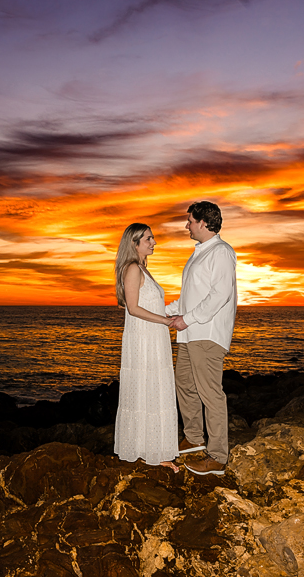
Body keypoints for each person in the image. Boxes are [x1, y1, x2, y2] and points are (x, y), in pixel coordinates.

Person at [166, 201, 237, 476]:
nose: (187, 225)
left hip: (206, 334)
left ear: (204, 222)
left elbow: (219, 295)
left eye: (190, 221)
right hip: (189, 334)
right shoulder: (199, 253)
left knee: (211, 394)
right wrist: (160, 311)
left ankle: (218, 456)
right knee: (184, 383)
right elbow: (188, 299)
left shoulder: (221, 252)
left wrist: (187, 319)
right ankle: (194, 438)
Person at [113, 223, 180, 472]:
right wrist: (164, 320)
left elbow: (145, 305)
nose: (154, 242)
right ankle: (152, 453)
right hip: (144, 339)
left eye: (152, 238)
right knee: (147, 389)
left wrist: (171, 315)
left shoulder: (143, 269)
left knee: (154, 390)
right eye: (149, 238)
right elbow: (132, 307)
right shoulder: (132, 268)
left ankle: (153, 449)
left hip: (154, 337)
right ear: (135, 243)